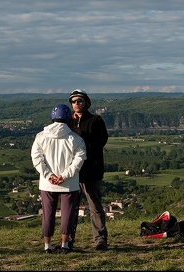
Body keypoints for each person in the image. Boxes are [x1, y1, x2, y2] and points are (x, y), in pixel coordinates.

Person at [31, 104, 86, 254]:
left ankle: (47, 246)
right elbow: (79, 160)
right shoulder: (76, 138)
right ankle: (65, 245)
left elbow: (36, 159)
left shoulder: (41, 136)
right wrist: (65, 175)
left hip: (47, 184)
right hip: (69, 183)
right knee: (67, 215)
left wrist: (49, 175)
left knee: (47, 215)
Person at [68, 89, 109, 251]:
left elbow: (100, 143)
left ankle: (100, 240)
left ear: (86, 103)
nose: (76, 103)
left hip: (92, 170)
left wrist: (82, 136)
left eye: (80, 100)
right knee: (71, 208)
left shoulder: (96, 120)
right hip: (72, 172)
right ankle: (68, 240)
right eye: (73, 101)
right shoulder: (66, 122)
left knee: (95, 208)